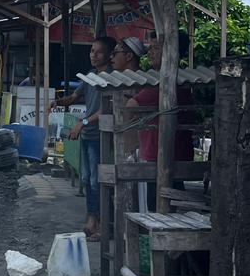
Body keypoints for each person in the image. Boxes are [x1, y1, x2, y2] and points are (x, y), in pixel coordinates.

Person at [49, 35, 115, 240]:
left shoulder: (114, 78)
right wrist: (58, 102)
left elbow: (107, 109)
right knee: (87, 179)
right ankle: (92, 219)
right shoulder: (90, 75)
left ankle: (103, 224)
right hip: (88, 135)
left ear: (109, 55)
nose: (93, 55)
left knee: (97, 181)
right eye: (91, 51)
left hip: (101, 136)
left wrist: (82, 123)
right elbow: (74, 97)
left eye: (98, 52)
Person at [128, 32, 196, 207]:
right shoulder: (180, 80)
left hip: (160, 157)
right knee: (171, 204)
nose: (150, 53)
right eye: (150, 48)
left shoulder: (163, 82)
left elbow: (131, 107)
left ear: (171, 52)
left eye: (156, 48)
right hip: (176, 155)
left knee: (157, 206)